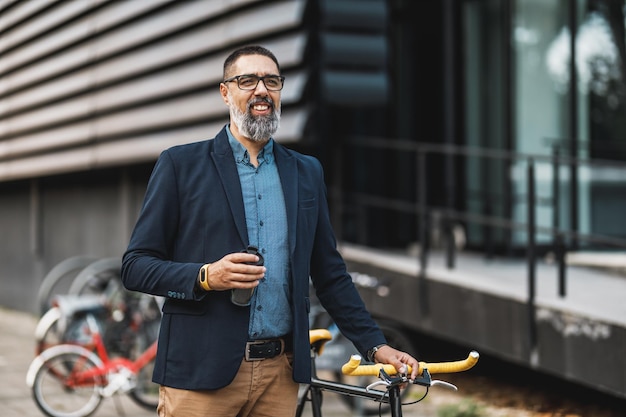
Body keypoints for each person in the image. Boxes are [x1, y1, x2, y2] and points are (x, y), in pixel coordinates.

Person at [121, 44, 419, 417]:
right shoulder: (180, 165)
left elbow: (329, 273)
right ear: (225, 92)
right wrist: (206, 276)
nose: (261, 90)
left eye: (271, 81)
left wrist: (375, 346)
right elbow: (135, 266)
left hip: (280, 375)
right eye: (247, 80)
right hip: (199, 374)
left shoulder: (306, 172)